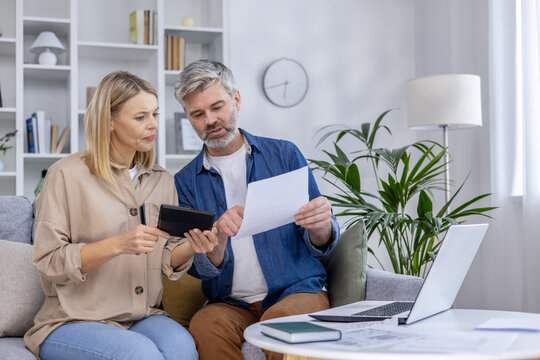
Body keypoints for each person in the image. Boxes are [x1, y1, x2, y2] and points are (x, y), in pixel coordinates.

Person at [24, 71, 198, 360]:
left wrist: (196, 244)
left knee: (183, 349)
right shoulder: (65, 174)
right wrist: (118, 245)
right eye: (140, 117)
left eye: (154, 114)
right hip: (74, 320)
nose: (153, 125)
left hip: (143, 316)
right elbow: (49, 260)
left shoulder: (162, 180)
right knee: (139, 354)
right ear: (109, 121)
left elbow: (165, 256)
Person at [174, 60, 341, 360]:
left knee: (281, 324)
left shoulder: (285, 154)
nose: (210, 120)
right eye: (197, 114)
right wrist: (218, 239)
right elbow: (199, 269)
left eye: (217, 107)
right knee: (204, 324)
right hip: (231, 303)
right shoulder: (185, 182)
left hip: (296, 291)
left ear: (236, 99)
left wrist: (320, 226)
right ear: (188, 117)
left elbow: (322, 242)